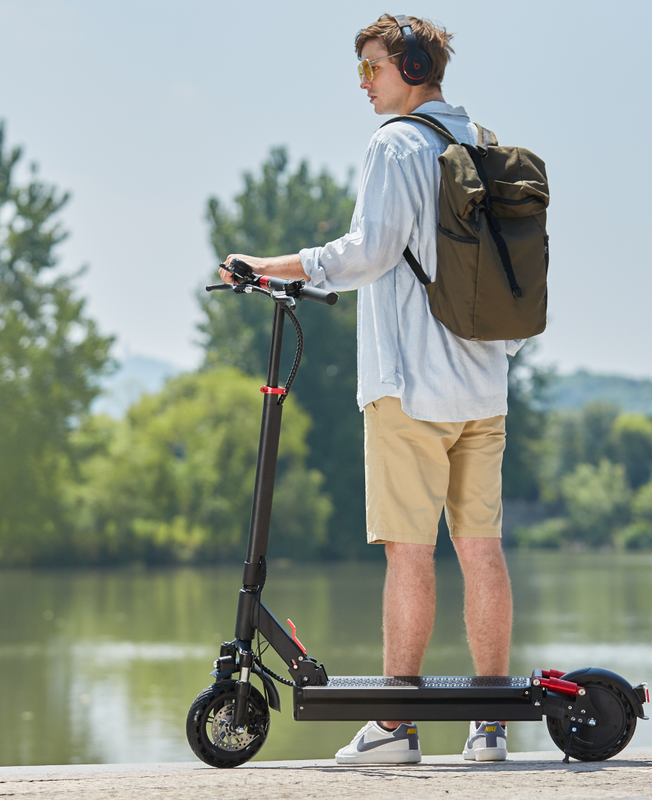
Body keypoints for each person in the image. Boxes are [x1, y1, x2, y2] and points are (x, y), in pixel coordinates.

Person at [219, 14, 525, 765]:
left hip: (408, 388)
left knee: (410, 553)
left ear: (412, 64)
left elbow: (369, 251)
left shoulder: (395, 144)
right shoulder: (478, 143)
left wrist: (272, 265)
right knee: (481, 547)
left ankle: (395, 725)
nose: (364, 85)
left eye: (372, 70)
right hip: (484, 387)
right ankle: (490, 726)